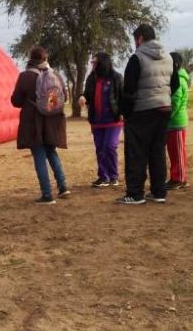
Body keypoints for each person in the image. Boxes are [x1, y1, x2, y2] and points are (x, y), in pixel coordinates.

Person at [117, 24, 172, 205]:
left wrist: (126, 112)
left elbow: (129, 89)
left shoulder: (137, 57)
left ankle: (135, 193)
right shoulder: (168, 57)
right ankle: (159, 191)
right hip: (164, 108)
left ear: (139, 38)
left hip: (141, 111)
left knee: (136, 153)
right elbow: (176, 83)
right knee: (157, 151)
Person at [11, 45, 70, 204]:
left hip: (33, 122)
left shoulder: (25, 76)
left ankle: (47, 194)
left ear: (30, 58)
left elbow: (15, 101)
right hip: (52, 121)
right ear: (45, 58)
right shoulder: (55, 75)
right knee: (51, 152)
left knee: (39, 156)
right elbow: (64, 97)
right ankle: (63, 187)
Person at [78, 52, 123, 187]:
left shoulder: (116, 78)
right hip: (97, 120)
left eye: (95, 62)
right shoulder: (91, 79)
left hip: (113, 119)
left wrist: (122, 112)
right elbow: (87, 94)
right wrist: (82, 97)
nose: (92, 65)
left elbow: (122, 96)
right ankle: (103, 177)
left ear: (102, 63)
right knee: (100, 149)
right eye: (92, 62)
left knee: (109, 146)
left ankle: (113, 176)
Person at [165, 52, 190, 190]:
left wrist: (167, 117)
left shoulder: (179, 80)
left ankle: (180, 178)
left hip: (176, 122)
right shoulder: (176, 78)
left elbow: (175, 101)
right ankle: (176, 177)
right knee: (174, 152)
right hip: (172, 123)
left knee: (178, 152)